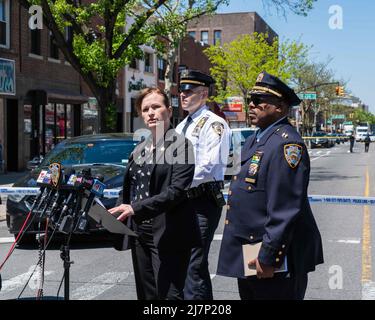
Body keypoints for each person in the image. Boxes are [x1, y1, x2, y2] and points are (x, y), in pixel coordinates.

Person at [217, 71, 324, 300]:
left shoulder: (287, 145)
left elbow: (284, 209)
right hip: (250, 252)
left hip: (273, 258)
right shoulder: (255, 140)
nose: (252, 105)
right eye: (250, 100)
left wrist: (269, 257)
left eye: (259, 101)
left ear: (281, 107)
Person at [109, 87, 200, 300]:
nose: (150, 112)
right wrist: (114, 213)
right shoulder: (141, 147)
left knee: (169, 295)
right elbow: (131, 186)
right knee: (147, 293)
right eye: (145, 109)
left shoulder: (181, 146)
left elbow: (176, 191)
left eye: (156, 107)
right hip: (140, 231)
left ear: (169, 111)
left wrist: (135, 208)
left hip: (170, 231)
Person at [175, 69, 231, 300]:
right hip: (180, 201)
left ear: (204, 93)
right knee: (186, 265)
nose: (183, 95)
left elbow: (209, 165)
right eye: (181, 91)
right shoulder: (180, 126)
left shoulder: (214, 124)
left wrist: (175, 183)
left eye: (189, 91)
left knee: (194, 263)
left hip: (202, 201)